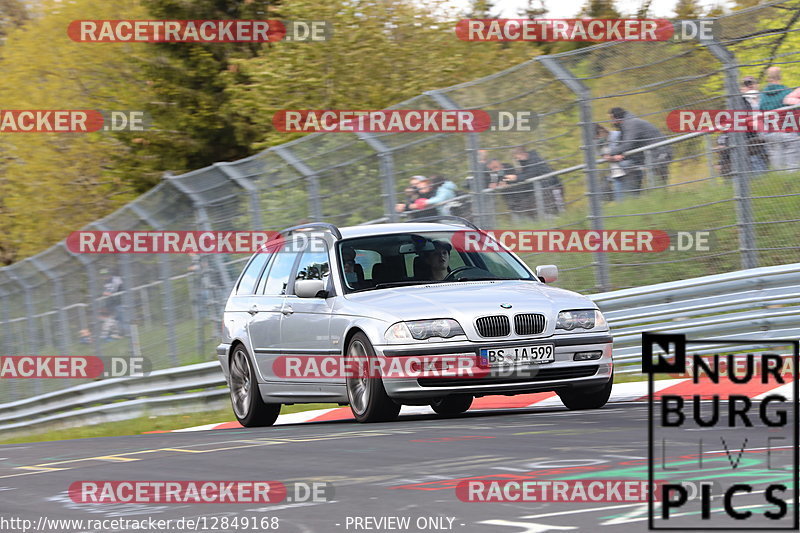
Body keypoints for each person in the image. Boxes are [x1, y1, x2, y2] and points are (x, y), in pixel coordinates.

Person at [605, 107, 671, 195]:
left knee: (657, 183)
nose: (611, 122)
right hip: (652, 154)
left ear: (616, 118)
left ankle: (661, 199)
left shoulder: (631, 123)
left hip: (659, 153)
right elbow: (626, 144)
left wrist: (610, 153)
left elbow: (628, 144)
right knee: (656, 184)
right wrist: (620, 154)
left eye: (611, 119)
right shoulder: (626, 125)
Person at [759, 66, 799, 170]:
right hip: (788, 132)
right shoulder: (787, 92)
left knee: (777, 166)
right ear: (780, 77)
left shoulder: (762, 96)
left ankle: (780, 181)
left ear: (768, 78)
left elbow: (761, 115)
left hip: (771, 133)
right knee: (792, 165)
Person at [596, 124, 625, 202]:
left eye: (597, 136)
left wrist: (612, 157)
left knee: (632, 198)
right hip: (615, 173)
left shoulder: (617, 135)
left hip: (627, 170)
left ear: (601, 131)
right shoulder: (599, 143)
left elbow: (623, 151)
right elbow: (602, 154)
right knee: (620, 202)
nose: (598, 138)